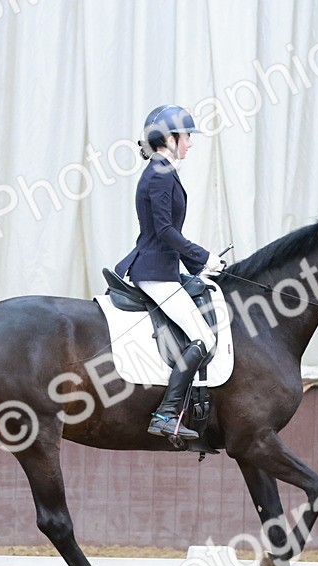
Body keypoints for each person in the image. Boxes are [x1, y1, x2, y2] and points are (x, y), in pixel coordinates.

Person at [113, 104, 224, 442]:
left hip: (163, 268)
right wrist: (203, 256)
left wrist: (198, 268)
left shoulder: (163, 171)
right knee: (204, 338)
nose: (190, 143)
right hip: (154, 272)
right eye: (187, 136)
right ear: (170, 138)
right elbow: (164, 231)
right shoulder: (160, 174)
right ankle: (166, 414)